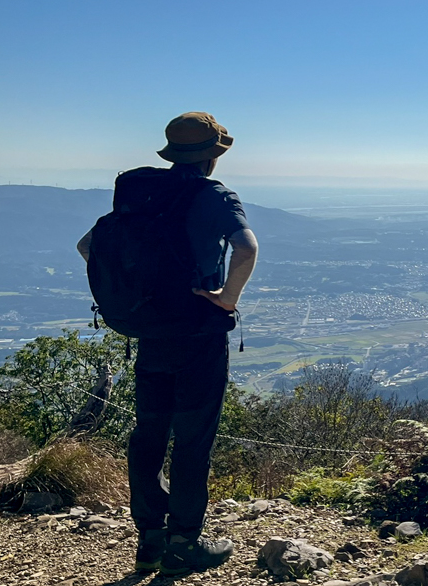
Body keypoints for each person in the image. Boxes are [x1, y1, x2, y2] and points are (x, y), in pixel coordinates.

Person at [77, 112, 259, 575]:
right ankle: (184, 542)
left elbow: (87, 245)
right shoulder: (212, 194)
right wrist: (224, 299)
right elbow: (247, 248)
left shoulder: (144, 193)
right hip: (198, 333)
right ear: (214, 155)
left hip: (151, 333)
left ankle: (149, 540)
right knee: (194, 439)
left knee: (149, 433)